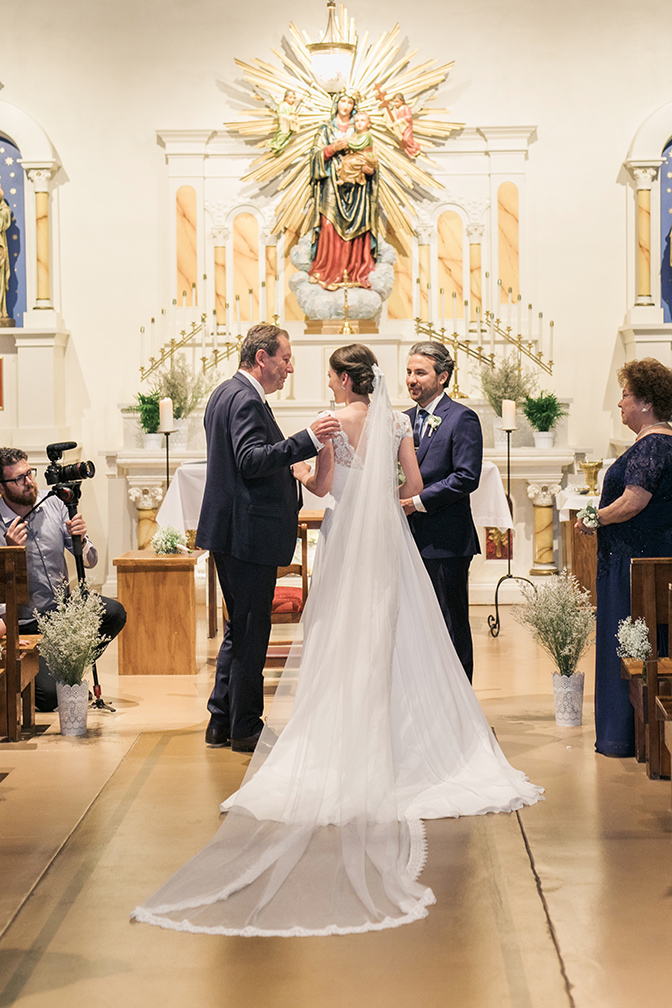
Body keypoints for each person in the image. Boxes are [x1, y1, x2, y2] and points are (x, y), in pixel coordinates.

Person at [132, 344, 542, 937]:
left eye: (329, 376)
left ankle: (342, 733)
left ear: (347, 381)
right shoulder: (398, 420)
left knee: (342, 635)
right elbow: (418, 482)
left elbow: (323, 489)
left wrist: (306, 468)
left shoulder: (330, 426)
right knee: (397, 629)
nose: (323, 384)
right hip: (393, 538)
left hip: (348, 537)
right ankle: (411, 736)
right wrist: (384, 490)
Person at [195, 324, 339, 753]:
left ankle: (221, 720)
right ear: (262, 358)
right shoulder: (244, 399)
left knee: (240, 631)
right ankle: (246, 728)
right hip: (247, 534)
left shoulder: (226, 393)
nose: (289, 368)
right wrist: (307, 441)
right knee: (253, 633)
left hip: (235, 530)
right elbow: (250, 460)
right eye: (285, 359)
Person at [576, 358, 672, 757]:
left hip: (634, 565)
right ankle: (633, 731)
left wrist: (593, 519)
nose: (620, 404)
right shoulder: (658, 442)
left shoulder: (654, 444)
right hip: (641, 559)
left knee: (629, 644)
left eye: (626, 396)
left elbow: (634, 500)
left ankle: (623, 734)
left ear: (646, 402)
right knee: (640, 643)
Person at [0, 448, 127, 711]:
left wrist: (82, 538)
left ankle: (70, 667)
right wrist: (10, 553)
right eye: (19, 479)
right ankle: (60, 675)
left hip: (62, 612)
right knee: (49, 699)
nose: (29, 482)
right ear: (2, 488)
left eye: (30, 474)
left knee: (114, 612)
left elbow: (90, 561)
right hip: (25, 623)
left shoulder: (53, 502)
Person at [401, 342, 483, 683]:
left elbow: (466, 476)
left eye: (420, 372)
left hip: (446, 541)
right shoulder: (402, 420)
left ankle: (460, 699)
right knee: (414, 624)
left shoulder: (462, 418)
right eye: (408, 372)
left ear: (443, 376)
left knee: (451, 621)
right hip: (407, 540)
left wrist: (416, 502)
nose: (411, 380)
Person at [308, 91, 379, 290]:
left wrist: (369, 167)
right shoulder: (326, 130)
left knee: (356, 229)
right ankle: (327, 272)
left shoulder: (361, 130)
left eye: (350, 102)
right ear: (336, 103)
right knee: (329, 227)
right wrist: (331, 149)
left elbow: (371, 156)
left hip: (357, 188)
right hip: (331, 183)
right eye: (343, 101)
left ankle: (354, 273)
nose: (346, 105)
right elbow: (314, 157)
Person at [337, 111, 377, 186]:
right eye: (357, 121)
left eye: (362, 121)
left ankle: (351, 179)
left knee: (350, 162)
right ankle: (346, 179)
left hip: (364, 156)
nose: (359, 123)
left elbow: (358, 144)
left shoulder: (366, 135)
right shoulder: (356, 134)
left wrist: (347, 142)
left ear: (368, 124)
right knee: (345, 161)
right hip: (358, 155)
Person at [267, 89, 300, 156]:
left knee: (286, 138)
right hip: (284, 126)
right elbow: (280, 115)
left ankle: (280, 148)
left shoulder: (292, 107)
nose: (293, 100)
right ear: (285, 98)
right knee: (282, 136)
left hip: (289, 127)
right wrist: (290, 118)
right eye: (290, 97)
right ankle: (276, 147)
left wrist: (294, 116)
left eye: (294, 98)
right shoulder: (283, 105)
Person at [390, 93, 422, 158]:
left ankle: (416, 148)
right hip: (400, 127)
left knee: (407, 139)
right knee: (402, 140)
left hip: (407, 126)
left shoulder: (406, 108)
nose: (395, 103)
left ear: (402, 101)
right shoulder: (395, 109)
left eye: (397, 101)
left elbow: (409, 117)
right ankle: (410, 152)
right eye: (394, 102)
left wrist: (400, 120)